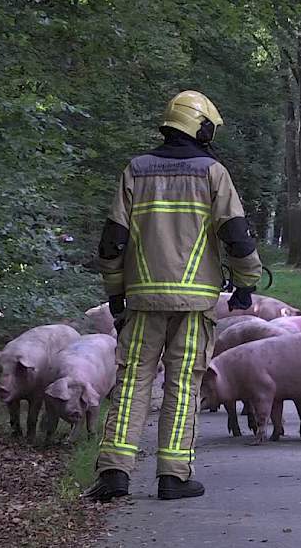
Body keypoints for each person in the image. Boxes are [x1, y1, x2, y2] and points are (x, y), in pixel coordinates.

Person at [82, 90, 262, 502]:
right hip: (195, 304)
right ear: (201, 127)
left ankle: (114, 473)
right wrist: (247, 281)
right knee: (183, 385)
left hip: (143, 301)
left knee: (131, 385)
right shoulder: (213, 172)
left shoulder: (135, 170)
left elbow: (113, 240)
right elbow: (235, 234)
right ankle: (173, 476)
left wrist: (115, 292)